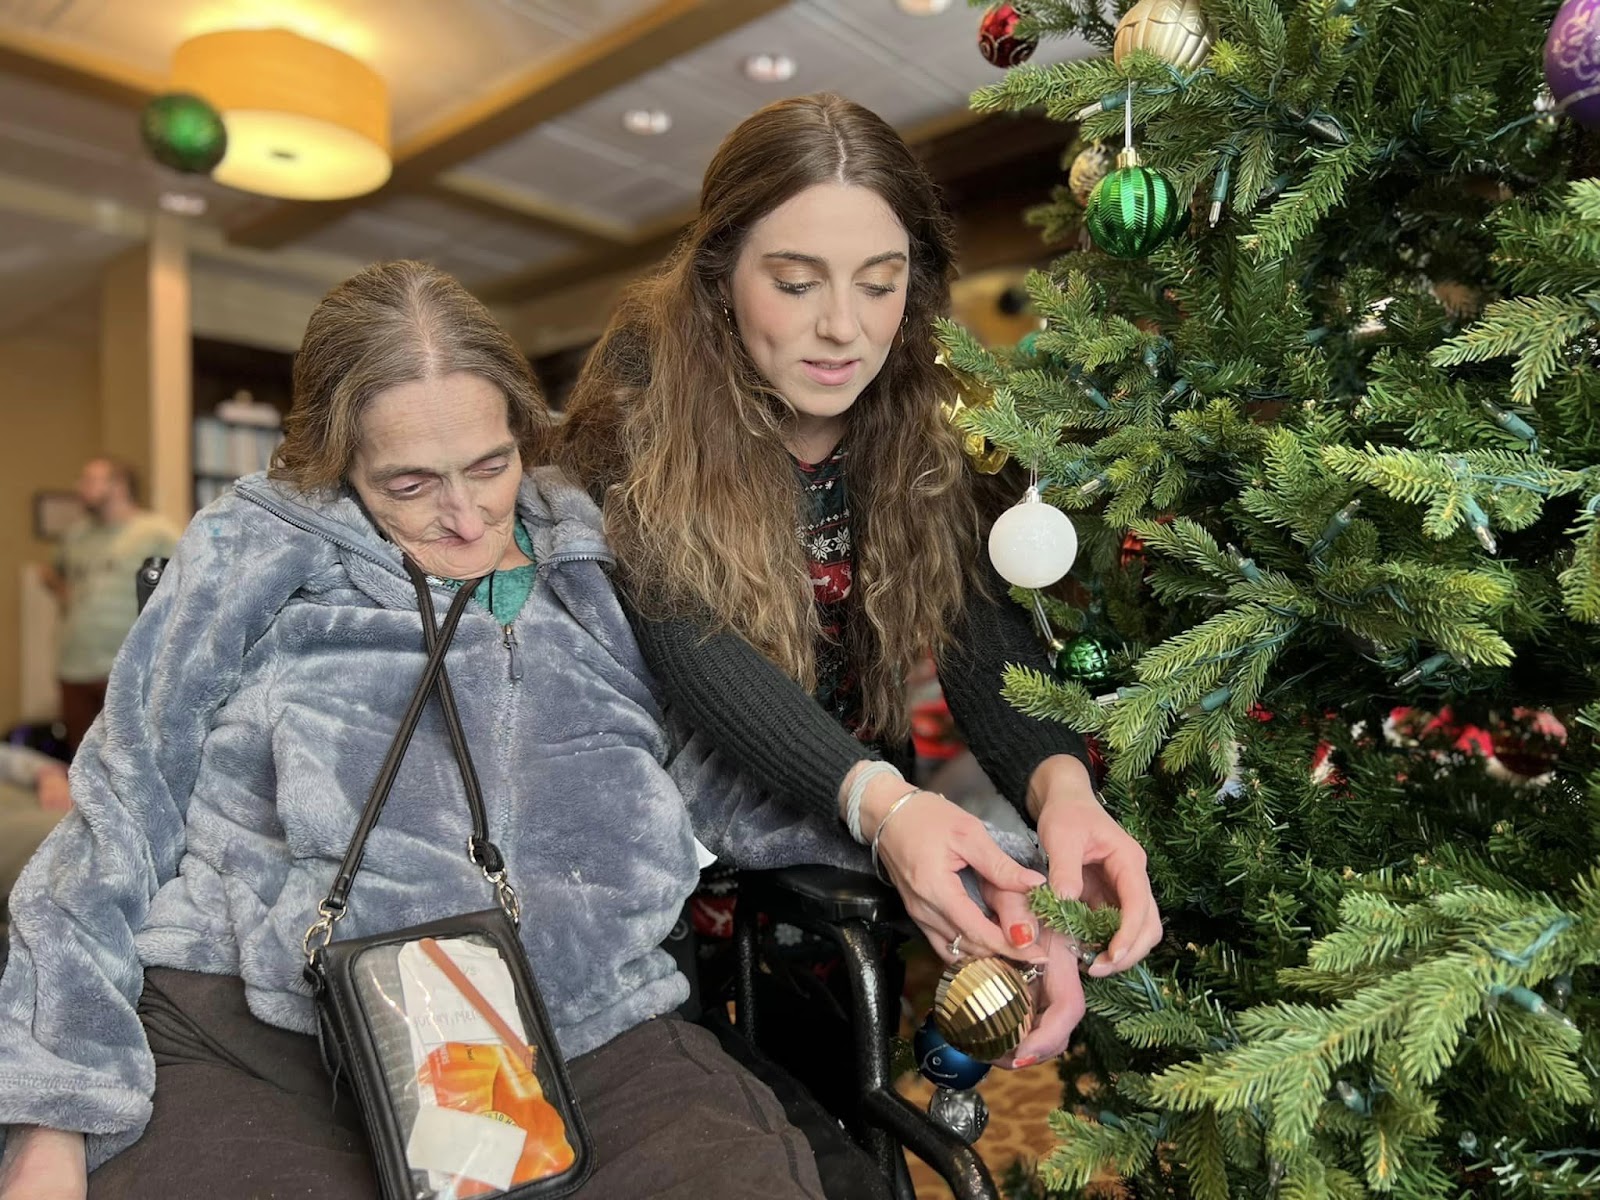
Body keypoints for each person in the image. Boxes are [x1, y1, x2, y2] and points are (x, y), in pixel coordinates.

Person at [0, 260, 913, 1200]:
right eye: (409, 483)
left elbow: (722, 773)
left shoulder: (594, 557)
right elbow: (117, 816)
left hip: (582, 1029)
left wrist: (913, 839)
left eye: (491, 465)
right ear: (338, 461)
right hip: (268, 1038)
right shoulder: (256, 552)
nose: (467, 513)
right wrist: (52, 1111)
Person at [558, 94, 1164, 1070]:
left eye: (879, 285)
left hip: (847, 884)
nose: (843, 329)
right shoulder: (638, 428)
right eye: (795, 284)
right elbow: (691, 639)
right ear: (718, 279)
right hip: (654, 909)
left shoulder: (920, 429)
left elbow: (984, 637)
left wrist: (1062, 793)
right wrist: (886, 806)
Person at [43, 458, 178, 751]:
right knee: (79, 760)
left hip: (123, 666)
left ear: (118, 486)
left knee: (125, 757)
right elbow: (51, 573)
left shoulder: (155, 531)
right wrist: (65, 593)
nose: (80, 487)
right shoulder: (77, 534)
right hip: (72, 664)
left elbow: (188, 578)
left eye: (90, 480)